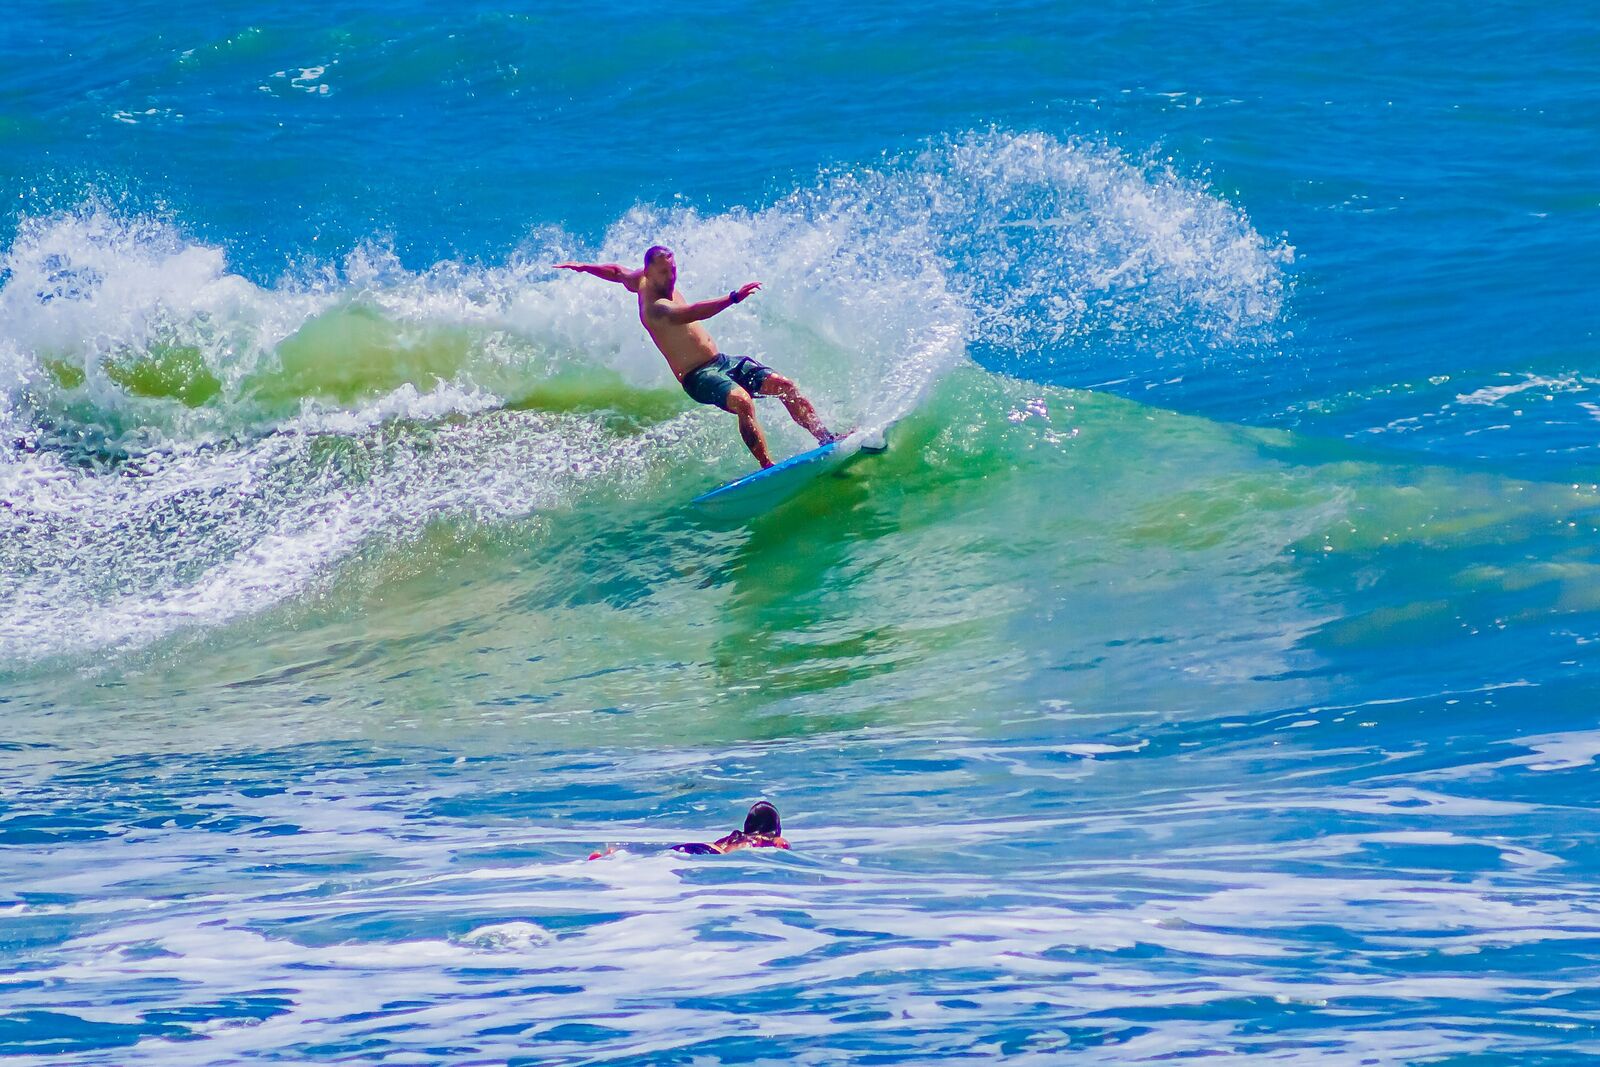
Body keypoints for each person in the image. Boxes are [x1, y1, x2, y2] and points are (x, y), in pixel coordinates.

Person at [554, 247, 840, 468]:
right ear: (649, 274)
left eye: (673, 270)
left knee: (784, 386)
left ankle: (826, 438)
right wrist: (733, 298)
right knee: (742, 401)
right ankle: (767, 467)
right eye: (664, 273)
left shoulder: (638, 278)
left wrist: (584, 267)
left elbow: (616, 272)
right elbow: (692, 313)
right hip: (697, 377)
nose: (671, 278)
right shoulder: (655, 307)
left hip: (722, 362)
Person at [587, 801, 790, 860]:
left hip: (703, 847)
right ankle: (612, 858)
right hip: (708, 855)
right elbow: (784, 846)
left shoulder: (733, 837)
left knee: (656, 857)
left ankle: (612, 856)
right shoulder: (769, 840)